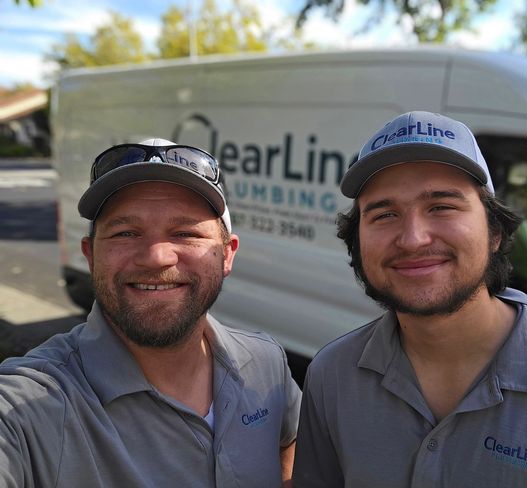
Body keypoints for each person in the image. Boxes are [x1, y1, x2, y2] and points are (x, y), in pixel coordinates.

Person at [292, 112, 527, 487]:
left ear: (494, 232)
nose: (413, 239)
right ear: (358, 242)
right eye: (385, 214)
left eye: (442, 206)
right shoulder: (332, 375)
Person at [0, 139, 301, 487]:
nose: (156, 257)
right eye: (126, 232)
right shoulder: (29, 406)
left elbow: (289, 444)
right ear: (91, 255)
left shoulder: (266, 363)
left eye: (185, 232)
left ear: (227, 255)